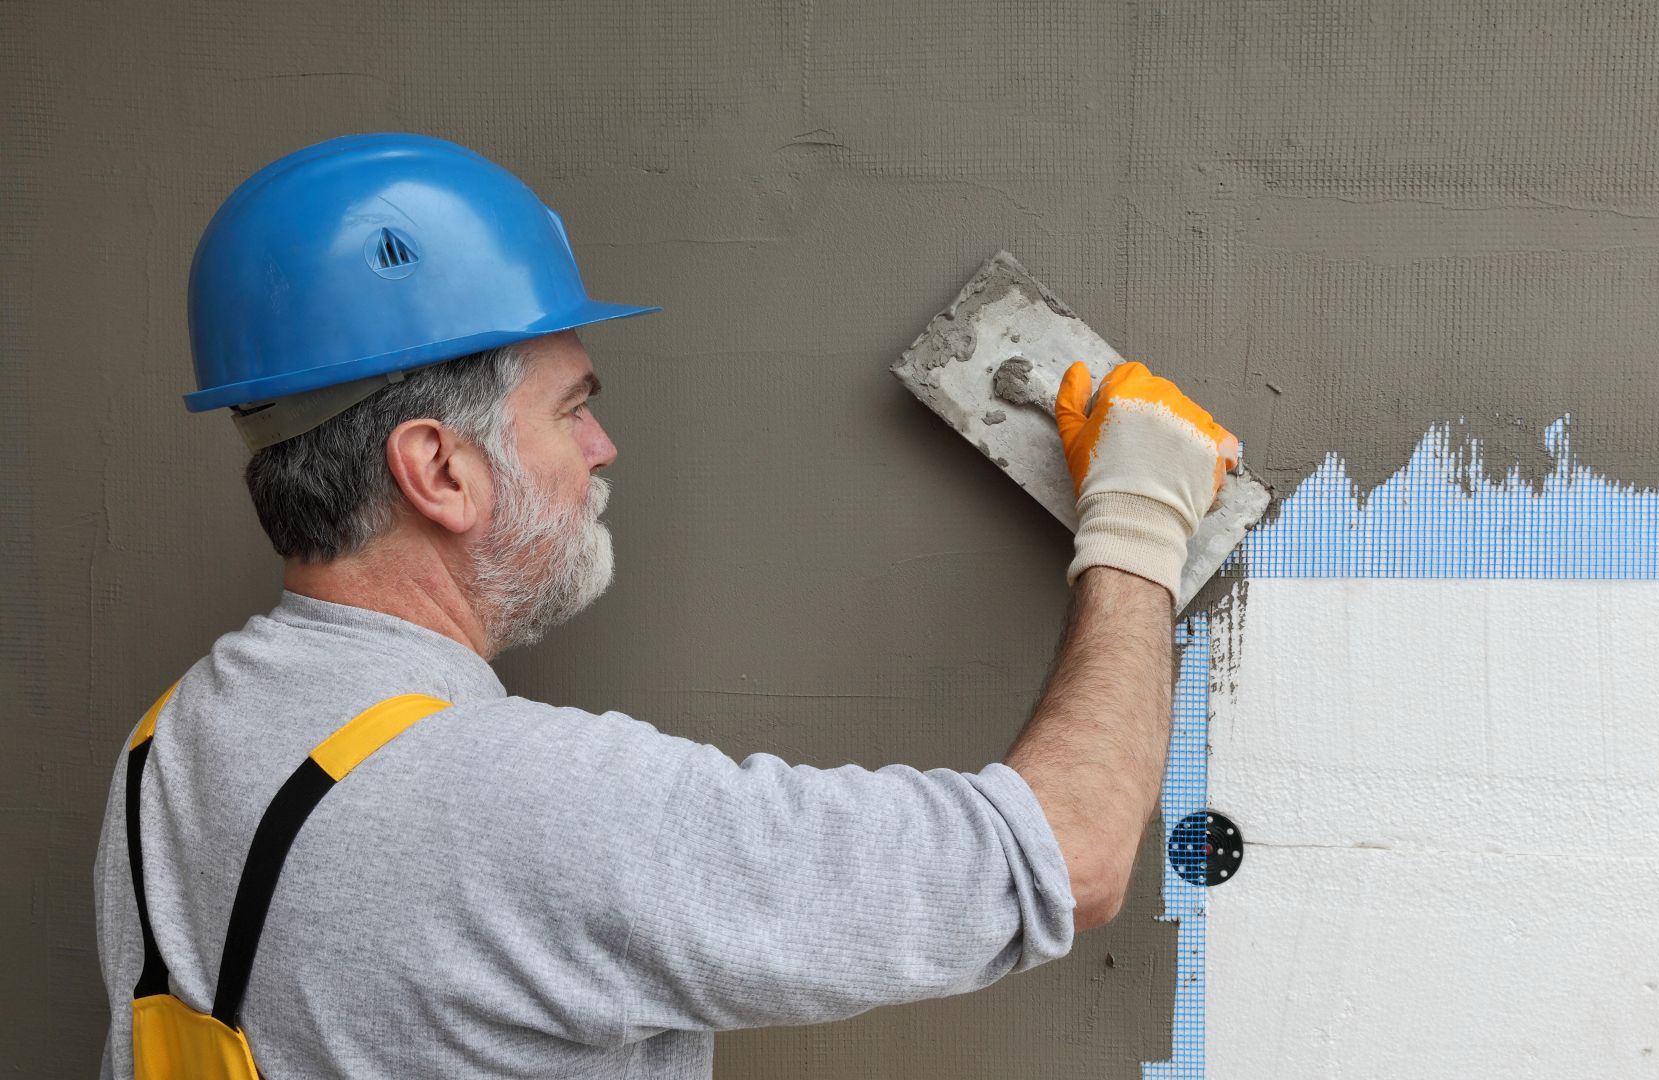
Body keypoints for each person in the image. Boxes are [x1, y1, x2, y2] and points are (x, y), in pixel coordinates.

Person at [93, 133, 1239, 1079]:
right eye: (569, 407)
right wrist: (1138, 518)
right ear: (438, 470)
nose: (603, 447)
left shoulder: (168, 751)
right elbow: (1067, 858)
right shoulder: (536, 810)